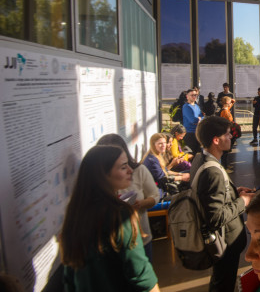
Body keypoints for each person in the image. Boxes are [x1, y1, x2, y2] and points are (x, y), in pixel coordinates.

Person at [60, 145, 159, 292]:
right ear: (103, 175)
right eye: (123, 167)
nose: (130, 171)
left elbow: (69, 277)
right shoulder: (120, 215)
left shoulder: (74, 215)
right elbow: (141, 276)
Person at [191, 115, 256, 292]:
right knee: (223, 284)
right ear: (216, 140)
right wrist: (242, 201)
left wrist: (234, 192)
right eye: (228, 134)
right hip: (225, 242)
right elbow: (215, 216)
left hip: (224, 242)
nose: (231, 137)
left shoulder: (201, 160)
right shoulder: (212, 172)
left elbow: (211, 197)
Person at [96, 134, 160, 261]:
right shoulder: (97, 182)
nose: (128, 171)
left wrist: (141, 204)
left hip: (140, 238)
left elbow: (155, 195)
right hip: (111, 243)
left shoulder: (139, 170)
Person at [183, 88, 204, 154]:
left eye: (195, 95)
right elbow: (193, 120)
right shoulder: (186, 107)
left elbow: (202, 117)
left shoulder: (196, 106)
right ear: (187, 96)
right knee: (192, 154)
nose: (194, 97)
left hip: (197, 132)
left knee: (199, 153)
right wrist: (199, 119)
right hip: (190, 133)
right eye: (192, 95)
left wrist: (199, 118)